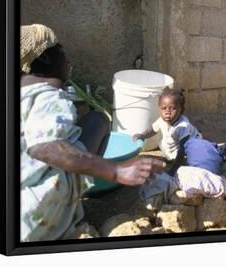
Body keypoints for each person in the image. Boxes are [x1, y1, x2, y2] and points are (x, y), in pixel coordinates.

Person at [20, 24, 165, 242]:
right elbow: (45, 147)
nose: (66, 56)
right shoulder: (49, 98)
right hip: (37, 219)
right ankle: (65, 218)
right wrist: (115, 171)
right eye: (60, 49)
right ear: (46, 58)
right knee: (98, 120)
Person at [132, 87, 202, 161]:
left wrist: (174, 168)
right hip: (176, 142)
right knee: (163, 144)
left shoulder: (183, 127)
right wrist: (142, 135)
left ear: (181, 109)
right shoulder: (161, 120)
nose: (167, 112)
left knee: (191, 155)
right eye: (164, 108)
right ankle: (172, 158)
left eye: (172, 108)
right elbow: (152, 130)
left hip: (190, 143)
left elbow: (183, 149)